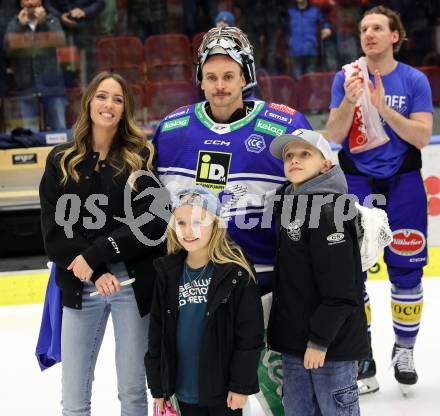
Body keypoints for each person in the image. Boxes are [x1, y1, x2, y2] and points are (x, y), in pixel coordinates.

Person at [39, 71, 168, 415]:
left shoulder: (141, 156)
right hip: (81, 284)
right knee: (75, 396)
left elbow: (153, 220)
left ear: (125, 109)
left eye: (118, 99)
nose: (108, 104)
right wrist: (94, 272)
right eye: (102, 96)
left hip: (133, 282)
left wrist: (98, 253)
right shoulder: (60, 160)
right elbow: (55, 231)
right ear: (88, 101)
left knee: (132, 391)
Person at [152, 26, 312, 296]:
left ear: (244, 79)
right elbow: (154, 201)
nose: (220, 86)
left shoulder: (286, 125)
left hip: (266, 275)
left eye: (229, 76)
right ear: (200, 80)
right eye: (211, 77)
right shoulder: (171, 129)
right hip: (194, 277)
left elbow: (317, 195)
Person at [326, 5, 433, 395]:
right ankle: (362, 353)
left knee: (407, 269)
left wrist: (382, 106)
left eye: (377, 28)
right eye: (363, 29)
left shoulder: (414, 79)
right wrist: (353, 102)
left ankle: (404, 351)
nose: (368, 34)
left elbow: (422, 137)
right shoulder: (346, 78)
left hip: (404, 183)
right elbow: (334, 136)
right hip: (356, 183)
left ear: (395, 36)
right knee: (351, 273)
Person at [267, 129, 369, 415]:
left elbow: (342, 291)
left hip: (329, 349)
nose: (294, 160)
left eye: (305, 154)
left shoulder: (328, 211)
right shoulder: (292, 206)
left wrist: (319, 341)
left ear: (326, 164)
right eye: (289, 156)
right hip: (297, 346)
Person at [145, 186, 264, 416]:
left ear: (216, 225)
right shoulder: (167, 272)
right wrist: (158, 384)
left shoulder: (236, 272)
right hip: (183, 387)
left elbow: (250, 334)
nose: (188, 231)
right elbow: (157, 331)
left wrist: (241, 385)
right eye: (181, 223)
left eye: (198, 222)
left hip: (223, 388)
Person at [4, 0, 66, 131]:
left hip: (52, 85)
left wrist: (43, 22)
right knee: (29, 134)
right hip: (26, 87)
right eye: (27, 1)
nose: (31, 2)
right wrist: (20, 26)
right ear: (21, 4)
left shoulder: (51, 21)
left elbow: (61, 41)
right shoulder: (14, 23)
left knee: (60, 131)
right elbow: (6, 50)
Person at [45, 0, 105, 84]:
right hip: (61, 29)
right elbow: (48, 5)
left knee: (89, 70)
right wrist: (60, 17)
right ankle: (70, 91)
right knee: (67, 70)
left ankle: (89, 91)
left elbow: (100, 2)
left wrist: (84, 12)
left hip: (86, 27)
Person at [286, 0, 332, 79]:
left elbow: (325, 22)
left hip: (311, 49)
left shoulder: (315, 11)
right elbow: (285, 30)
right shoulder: (290, 12)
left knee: (311, 80)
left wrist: (327, 28)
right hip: (295, 51)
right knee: (298, 80)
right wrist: (289, 43)